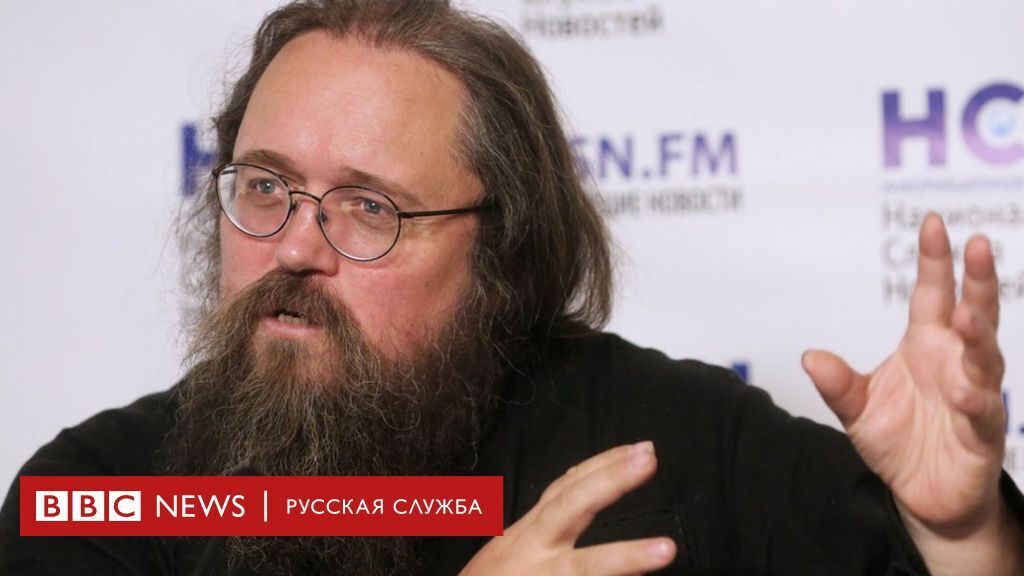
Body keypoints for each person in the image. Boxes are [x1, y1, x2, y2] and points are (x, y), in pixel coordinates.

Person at [2, 0, 1022, 574]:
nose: (296, 247)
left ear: (502, 253)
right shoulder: (98, 495)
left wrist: (962, 537)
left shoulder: (678, 449)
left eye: (368, 207)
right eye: (265, 186)